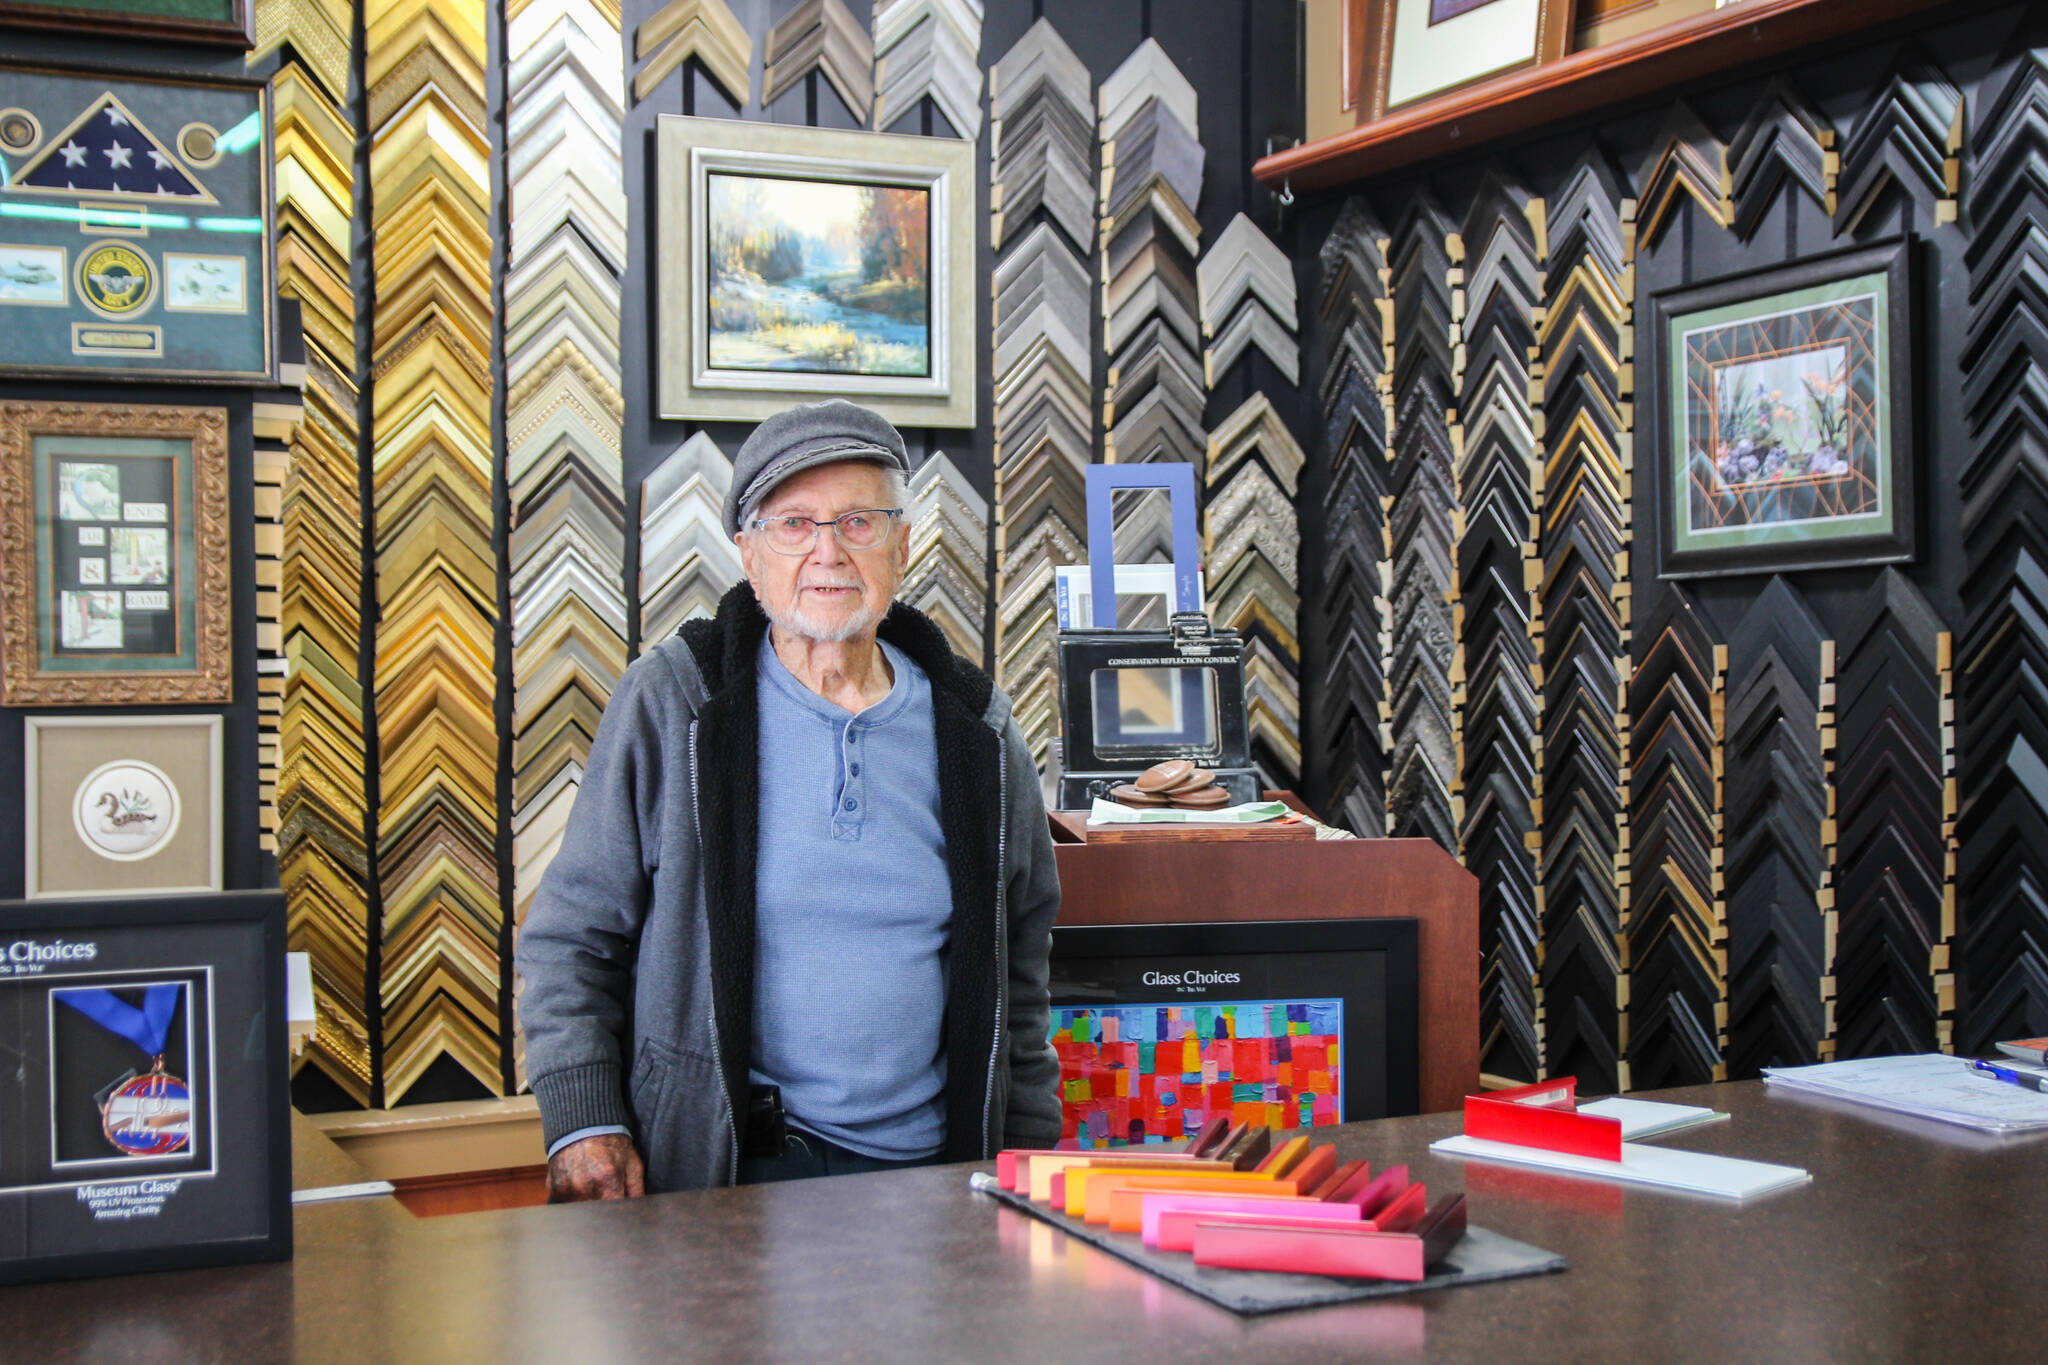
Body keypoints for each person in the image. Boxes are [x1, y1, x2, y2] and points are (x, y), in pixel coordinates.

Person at [517, 399, 1063, 1199]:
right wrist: (584, 1117)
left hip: (935, 1177)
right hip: (732, 1173)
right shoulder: (677, 704)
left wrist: (1026, 1154)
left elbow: (1023, 970)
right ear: (749, 552)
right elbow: (571, 939)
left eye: (857, 522)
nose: (827, 551)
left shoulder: (977, 730)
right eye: (794, 523)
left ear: (902, 545)